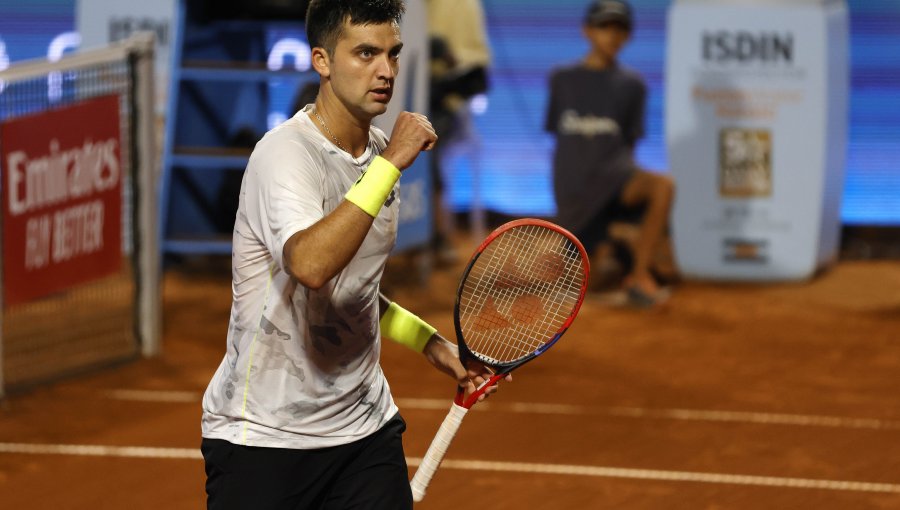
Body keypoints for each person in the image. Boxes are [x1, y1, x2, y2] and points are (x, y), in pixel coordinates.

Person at [200, 1, 505, 508]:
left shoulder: (379, 156)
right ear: (322, 60)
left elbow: (354, 293)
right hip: (265, 442)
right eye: (365, 53)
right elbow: (312, 266)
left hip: (365, 432)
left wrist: (434, 346)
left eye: (393, 54)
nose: (385, 71)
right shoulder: (285, 156)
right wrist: (390, 165)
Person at [545, 0, 675, 307]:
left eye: (621, 29)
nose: (613, 35)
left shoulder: (633, 85)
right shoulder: (561, 78)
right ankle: (613, 244)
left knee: (662, 186)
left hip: (615, 182)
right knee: (579, 283)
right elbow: (559, 140)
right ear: (587, 30)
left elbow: (629, 146)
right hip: (576, 193)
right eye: (605, 26)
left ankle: (639, 277)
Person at [426, 0, 492, 264]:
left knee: (420, 136)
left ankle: (434, 232)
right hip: (392, 102)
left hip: (443, 105)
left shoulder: (463, 5)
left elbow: (477, 77)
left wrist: (445, 64)